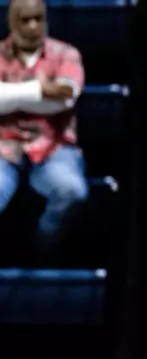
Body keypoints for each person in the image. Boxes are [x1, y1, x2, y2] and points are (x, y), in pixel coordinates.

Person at [0, 0, 88, 260]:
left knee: (71, 190)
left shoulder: (66, 54)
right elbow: (55, 95)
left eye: (38, 18)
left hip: (53, 148)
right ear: (11, 22)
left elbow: (68, 92)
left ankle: (43, 247)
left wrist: (9, 96)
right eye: (25, 20)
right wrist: (41, 89)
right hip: (4, 150)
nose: (33, 26)